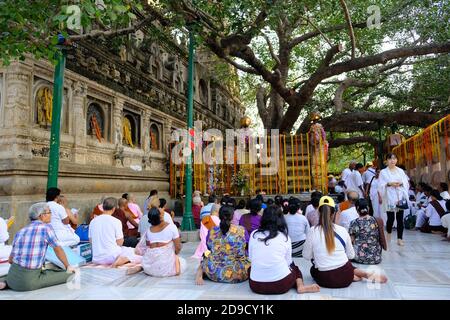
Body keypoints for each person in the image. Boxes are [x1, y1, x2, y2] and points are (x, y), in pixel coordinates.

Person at [303, 196, 387, 288]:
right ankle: (360, 273)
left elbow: (307, 256)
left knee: (313, 269)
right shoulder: (342, 230)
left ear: (318, 212)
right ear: (333, 213)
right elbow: (351, 255)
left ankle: (355, 274)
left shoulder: (312, 231)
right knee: (345, 265)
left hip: (325, 279)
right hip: (346, 276)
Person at [0, 203, 76, 291]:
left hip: (12, 277)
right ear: (42, 216)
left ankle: (5, 282)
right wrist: (68, 266)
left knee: (43, 271)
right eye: (49, 212)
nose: (51, 214)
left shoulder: (21, 231)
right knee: (70, 274)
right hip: (27, 283)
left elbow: (10, 260)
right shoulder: (46, 228)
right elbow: (58, 249)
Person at [248, 205, 320, 295]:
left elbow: (251, 258)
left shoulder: (254, 234)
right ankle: (300, 286)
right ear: (280, 219)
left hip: (256, 285)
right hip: (281, 284)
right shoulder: (284, 237)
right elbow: (288, 262)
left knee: (251, 268)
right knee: (294, 268)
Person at [195, 205, 250, 285]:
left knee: (205, 258)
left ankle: (200, 273)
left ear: (219, 215)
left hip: (213, 271)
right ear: (232, 216)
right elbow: (247, 247)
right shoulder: (241, 230)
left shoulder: (212, 230)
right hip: (236, 272)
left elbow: (209, 247)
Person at [89, 197, 142, 267]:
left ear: (103, 207)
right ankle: (121, 260)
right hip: (112, 257)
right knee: (138, 253)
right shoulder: (116, 221)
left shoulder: (93, 221)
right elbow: (120, 242)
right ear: (114, 208)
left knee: (128, 250)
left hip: (96, 258)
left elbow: (91, 241)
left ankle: (120, 258)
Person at [141, 207, 186, 277]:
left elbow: (148, 247)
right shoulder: (172, 227)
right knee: (182, 262)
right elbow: (178, 247)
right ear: (161, 216)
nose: (162, 209)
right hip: (166, 267)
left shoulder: (148, 230)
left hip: (149, 267)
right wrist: (173, 255)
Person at [377, 153, 409, 246]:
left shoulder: (400, 171)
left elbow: (406, 182)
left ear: (397, 160)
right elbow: (380, 185)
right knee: (390, 218)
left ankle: (400, 238)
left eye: (394, 159)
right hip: (389, 197)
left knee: (400, 218)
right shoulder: (383, 172)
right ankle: (389, 235)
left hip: (400, 196)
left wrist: (400, 183)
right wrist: (389, 184)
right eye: (390, 159)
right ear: (386, 160)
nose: (392, 161)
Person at [349, 199, 387, 265]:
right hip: (375, 257)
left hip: (359, 257)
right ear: (368, 208)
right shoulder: (377, 220)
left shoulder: (354, 222)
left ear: (356, 209)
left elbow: (351, 240)